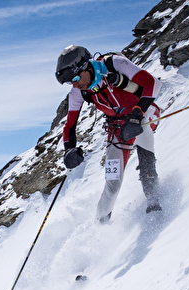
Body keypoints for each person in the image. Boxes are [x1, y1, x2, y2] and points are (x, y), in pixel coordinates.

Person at [54, 44, 162, 222]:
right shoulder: (78, 91)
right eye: (69, 82)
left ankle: (155, 204)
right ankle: (99, 228)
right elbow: (70, 125)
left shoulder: (115, 64)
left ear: (86, 66)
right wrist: (69, 149)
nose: (74, 84)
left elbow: (153, 84)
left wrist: (136, 115)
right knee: (112, 186)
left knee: (145, 150)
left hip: (143, 114)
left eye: (74, 77)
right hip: (118, 127)